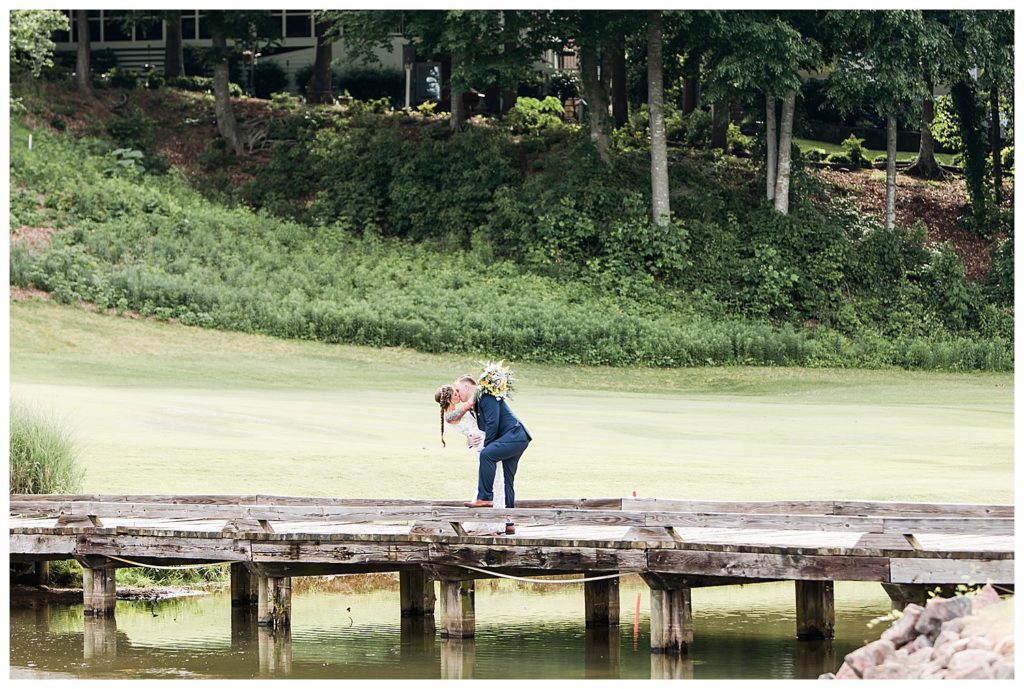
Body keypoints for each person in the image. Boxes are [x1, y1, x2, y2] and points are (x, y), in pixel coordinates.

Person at [453, 373, 531, 535]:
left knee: (487, 455)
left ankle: (485, 498)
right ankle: (509, 522)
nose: (457, 393)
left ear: (467, 386)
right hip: (516, 438)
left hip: (514, 435)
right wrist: (471, 440)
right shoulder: (476, 402)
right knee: (506, 481)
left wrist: (486, 446)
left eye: (458, 389)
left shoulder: (486, 396)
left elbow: (493, 422)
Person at [434, 384, 507, 535]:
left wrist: (468, 439)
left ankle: (495, 521)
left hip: (482, 440)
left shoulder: (455, 412)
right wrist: (484, 385)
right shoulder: (450, 415)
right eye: (455, 393)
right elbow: (469, 405)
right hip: (482, 444)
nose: (458, 394)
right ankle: (487, 523)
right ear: (449, 398)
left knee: (496, 480)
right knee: (492, 480)